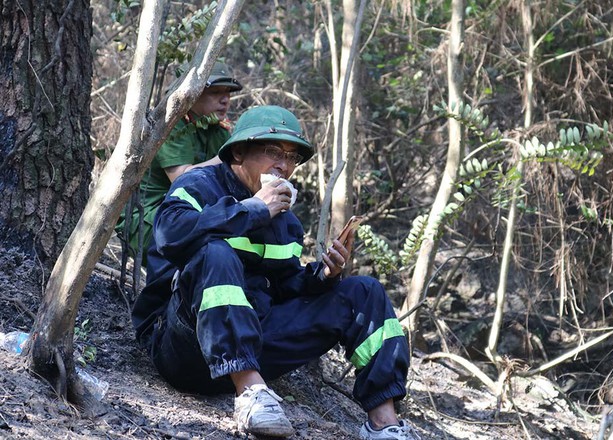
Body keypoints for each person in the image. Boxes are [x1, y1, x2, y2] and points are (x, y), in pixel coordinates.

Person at [131, 105, 420, 440]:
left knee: (363, 291)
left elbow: (283, 286)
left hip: (255, 340)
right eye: (272, 152)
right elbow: (168, 234)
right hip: (184, 346)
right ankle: (250, 394)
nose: (283, 166)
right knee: (216, 251)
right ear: (238, 151)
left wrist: (322, 275)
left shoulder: (286, 222)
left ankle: (383, 425)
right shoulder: (198, 185)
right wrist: (251, 209)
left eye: (292, 157)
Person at [116, 61, 243, 263]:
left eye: (228, 92)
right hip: (149, 221)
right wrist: (228, 156)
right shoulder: (170, 124)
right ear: (190, 93)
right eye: (216, 92)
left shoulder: (217, 130)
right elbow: (182, 177)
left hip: (186, 215)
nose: (225, 99)